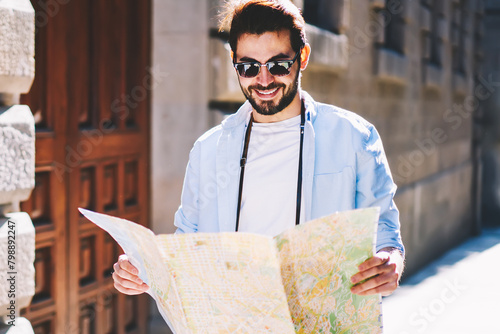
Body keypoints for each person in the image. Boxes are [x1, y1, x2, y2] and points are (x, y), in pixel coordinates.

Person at [113, 0, 404, 298]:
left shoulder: (355, 137)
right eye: (249, 67)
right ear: (234, 61)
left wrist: (390, 260)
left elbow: (383, 228)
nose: (263, 80)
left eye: (278, 65)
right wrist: (144, 271)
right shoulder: (208, 149)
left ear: (302, 56)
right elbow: (190, 241)